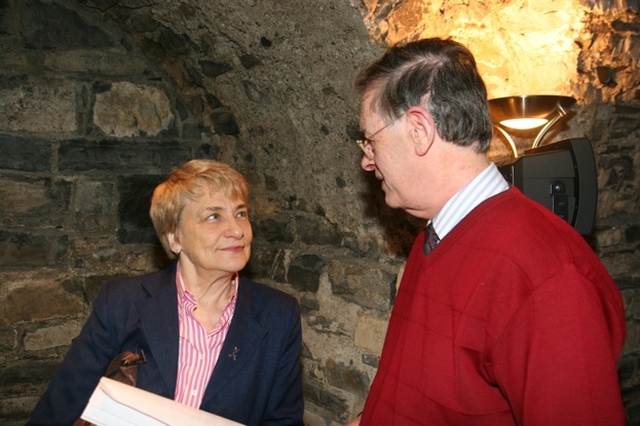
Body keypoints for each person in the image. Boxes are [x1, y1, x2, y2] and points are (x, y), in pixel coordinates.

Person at [346, 38, 627, 425]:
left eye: (370, 141)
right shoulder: (432, 240)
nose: (366, 160)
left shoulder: (548, 276)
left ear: (418, 130)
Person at [28, 159, 304, 426]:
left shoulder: (278, 314)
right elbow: (62, 406)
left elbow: (282, 420)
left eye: (241, 213)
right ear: (174, 238)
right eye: (213, 216)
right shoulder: (124, 301)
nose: (236, 230)